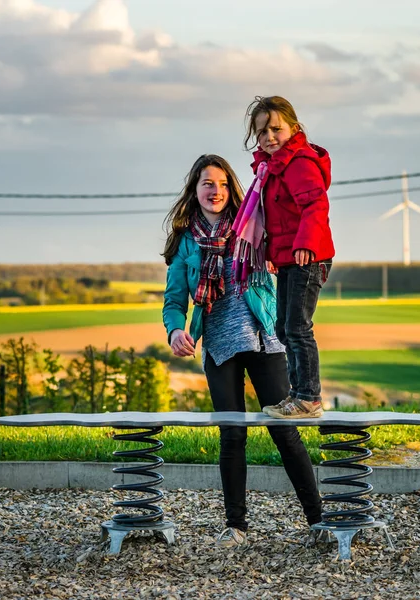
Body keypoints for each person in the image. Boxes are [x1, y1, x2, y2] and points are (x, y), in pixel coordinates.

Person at [162, 154, 326, 547]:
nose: (213, 190)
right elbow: (173, 299)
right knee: (231, 434)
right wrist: (174, 331)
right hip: (218, 345)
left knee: (285, 432)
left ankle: (318, 520)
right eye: (206, 183)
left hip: (263, 338)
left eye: (220, 183)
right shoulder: (186, 240)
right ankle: (236, 526)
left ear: (230, 187)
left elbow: (292, 234)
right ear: (194, 189)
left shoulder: (254, 221)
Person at [233, 95, 335, 419]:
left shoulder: (300, 162)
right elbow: (278, 217)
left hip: (309, 256)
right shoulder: (272, 169)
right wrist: (275, 253)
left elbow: (315, 206)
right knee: (282, 326)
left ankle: (308, 398)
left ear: (294, 127)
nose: (269, 137)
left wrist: (305, 243)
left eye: (276, 128)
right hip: (291, 257)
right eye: (262, 132)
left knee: (297, 326)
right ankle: (297, 395)